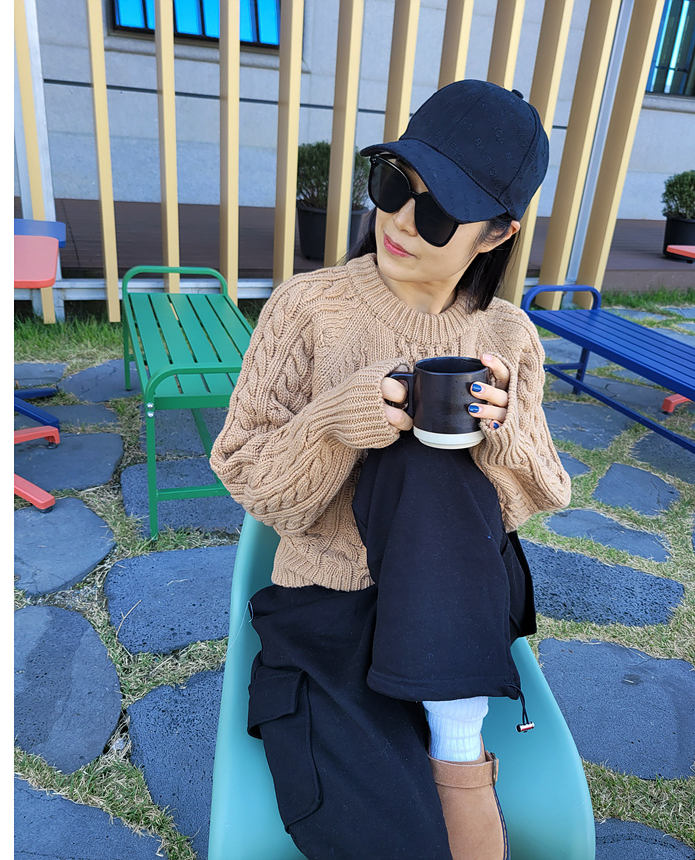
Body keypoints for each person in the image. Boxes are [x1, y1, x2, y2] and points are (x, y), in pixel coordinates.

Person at [210, 79, 571, 860]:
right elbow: (250, 478)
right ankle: (453, 734)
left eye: (439, 212)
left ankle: (457, 738)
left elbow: (539, 493)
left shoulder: (508, 335)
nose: (403, 220)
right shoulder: (309, 307)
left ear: (497, 235)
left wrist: (503, 429)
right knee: (395, 840)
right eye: (394, 185)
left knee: (429, 456)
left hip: (460, 599)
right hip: (329, 610)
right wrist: (339, 418)